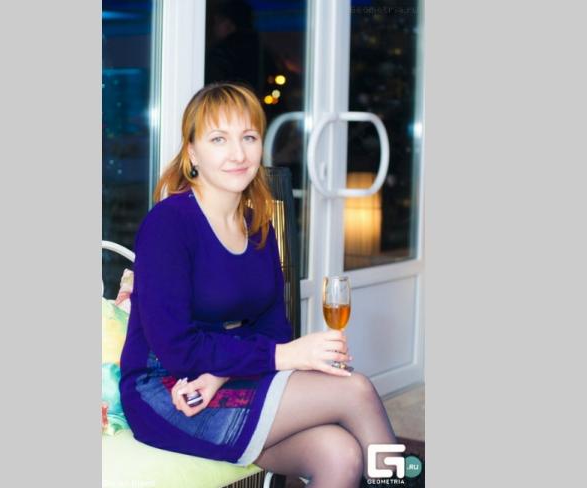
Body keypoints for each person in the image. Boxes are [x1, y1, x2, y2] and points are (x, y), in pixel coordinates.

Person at [119, 82, 397, 487]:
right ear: (192, 152)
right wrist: (287, 355)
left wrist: (220, 374)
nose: (238, 153)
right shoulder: (168, 224)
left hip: (218, 375)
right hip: (166, 390)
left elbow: (273, 329)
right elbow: (177, 348)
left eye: (248, 137)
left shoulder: (258, 225)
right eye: (219, 139)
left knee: (340, 454)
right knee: (355, 391)